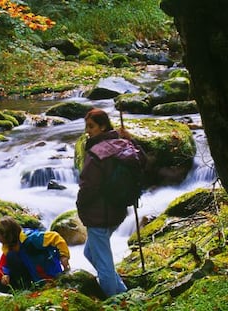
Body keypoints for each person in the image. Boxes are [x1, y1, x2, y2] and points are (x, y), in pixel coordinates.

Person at [76, 108, 142, 298]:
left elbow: (88, 187)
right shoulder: (123, 144)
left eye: (91, 126)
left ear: (103, 126)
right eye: (86, 126)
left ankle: (116, 301)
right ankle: (122, 292)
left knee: (104, 265)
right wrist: (131, 139)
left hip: (99, 215)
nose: (87, 131)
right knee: (90, 252)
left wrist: (81, 206)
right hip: (117, 210)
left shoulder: (97, 154)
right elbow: (143, 161)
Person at [0, 216, 70, 293]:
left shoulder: (32, 239)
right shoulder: (8, 248)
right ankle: (27, 291)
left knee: (20, 252)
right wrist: (4, 275)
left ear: (6, 235)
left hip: (50, 275)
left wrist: (64, 256)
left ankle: (44, 285)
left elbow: (55, 237)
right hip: (32, 279)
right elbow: (1, 268)